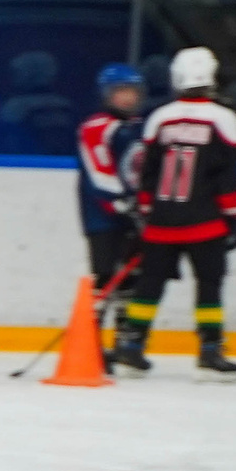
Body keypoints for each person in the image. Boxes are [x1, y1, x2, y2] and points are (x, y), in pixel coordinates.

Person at [113, 47, 236, 379]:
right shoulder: (225, 119)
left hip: (161, 222)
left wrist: (145, 210)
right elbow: (227, 178)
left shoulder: (160, 117)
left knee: (149, 285)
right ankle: (210, 350)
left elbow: (147, 171)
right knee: (209, 286)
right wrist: (235, 217)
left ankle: (132, 345)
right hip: (206, 223)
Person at [75, 64, 146, 336]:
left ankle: (125, 341)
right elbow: (100, 173)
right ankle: (90, 342)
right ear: (105, 94)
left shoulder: (139, 127)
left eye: (133, 92)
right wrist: (123, 203)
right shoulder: (96, 127)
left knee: (132, 279)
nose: (128, 98)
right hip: (102, 216)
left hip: (133, 213)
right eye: (121, 92)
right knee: (104, 276)